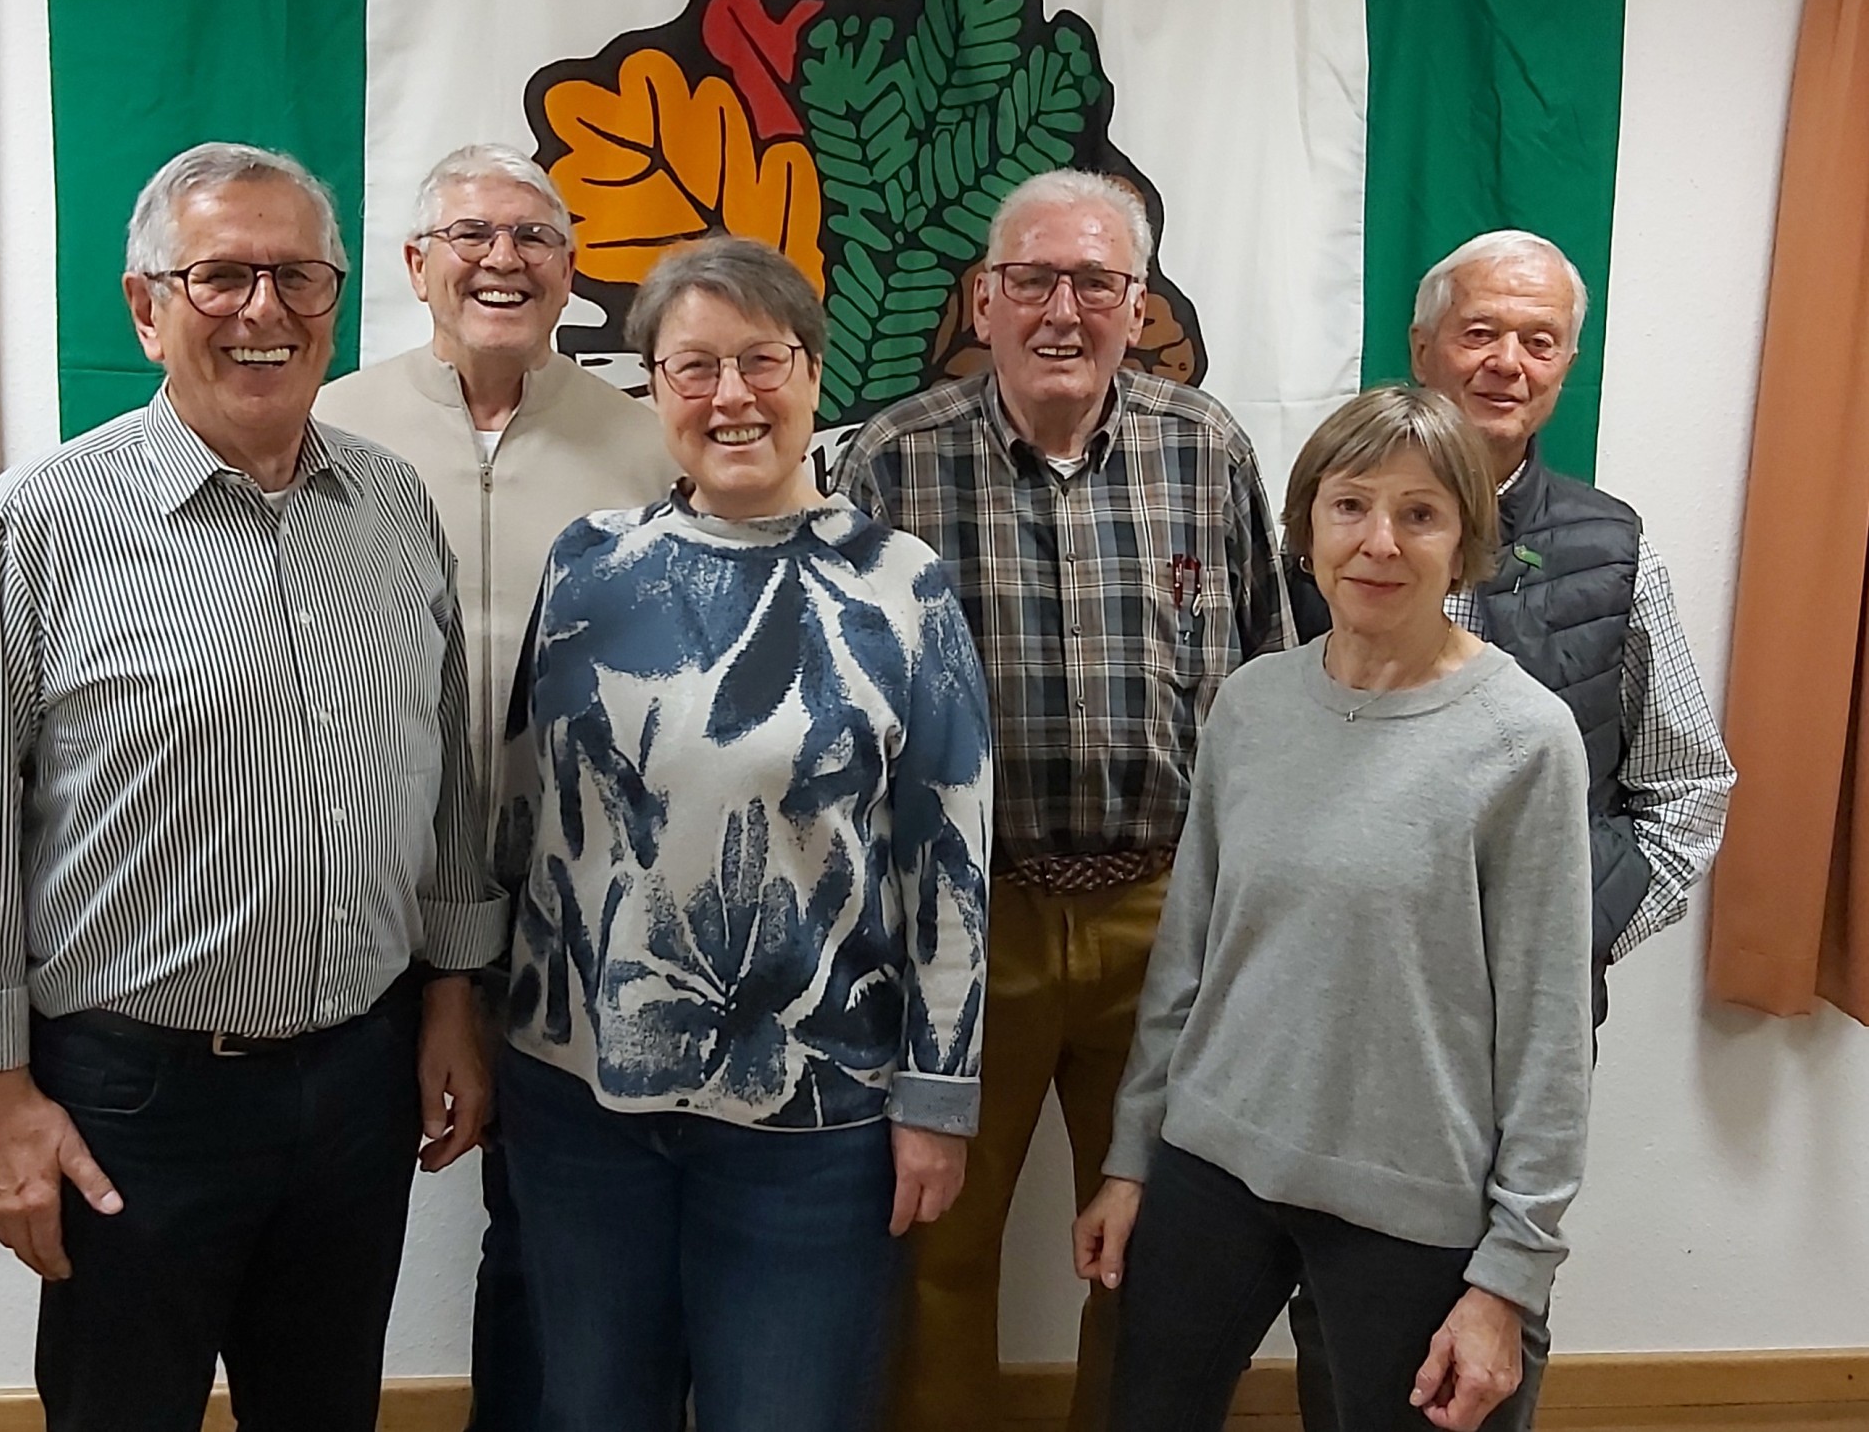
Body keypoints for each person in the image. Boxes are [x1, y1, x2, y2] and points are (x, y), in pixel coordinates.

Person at [0, 142, 504, 1432]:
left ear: (335, 297)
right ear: (145, 306)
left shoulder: (392, 508)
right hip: (134, 1099)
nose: (263, 309)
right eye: (221, 275)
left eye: (297, 276)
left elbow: (443, 774)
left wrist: (450, 994)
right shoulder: (34, 527)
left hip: (360, 1076)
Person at [495, 235, 992, 1432]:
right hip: (578, 1100)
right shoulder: (588, 564)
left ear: (811, 372)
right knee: (590, 1408)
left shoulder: (899, 586)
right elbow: (520, 810)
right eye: (693, 365)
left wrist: (938, 1096)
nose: (730, 395)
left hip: (811, 1118)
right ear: (653, 386)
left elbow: (949, 862)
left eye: (761, 360)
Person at [833, 168, 1292, 1432]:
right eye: (1030, 277)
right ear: (982, 298)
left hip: (1166, 916)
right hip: (963, 922)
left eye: (1094, 281)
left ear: (1137, 305)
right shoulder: (894, 461)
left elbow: (1267, 676)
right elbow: (841, 716)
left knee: (1156, 1241)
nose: (1060, 308)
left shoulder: (1206, 448)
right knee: (934, 1242)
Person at [1077, 385, 1594, 1432]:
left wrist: (1511, 1273)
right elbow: (1186, 960)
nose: (1378, 542)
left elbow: (1548, 1033)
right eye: (1350, 504)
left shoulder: (1523, 739)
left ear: (1465, 541)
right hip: (1212, 1160)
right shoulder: (1251, 703)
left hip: (1410, 1198)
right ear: (1305, 524)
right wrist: (1131, 1157)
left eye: (1420, 512)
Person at [1286, 231, 1736, 1432]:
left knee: (1490, 1300)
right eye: (1478, 330)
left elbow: (1687, 785)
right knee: (1337, 1288)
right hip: (1340, 997)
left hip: (1516, 1027)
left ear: (1565, 365)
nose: (1506, 361)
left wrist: (1566, 937)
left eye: (1538, 341)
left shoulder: (1610, 546)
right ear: (1420, 344)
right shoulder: (1323, 529)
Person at [316, 143, 676, 1432]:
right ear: (416, 264)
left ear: (571, 273)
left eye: (533, 238)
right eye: (471, 234)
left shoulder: (645, 439)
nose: (502, 259)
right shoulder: (330, 425)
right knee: (331, 1216)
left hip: (572, 897)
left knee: (547, 1219)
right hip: (363, 882)